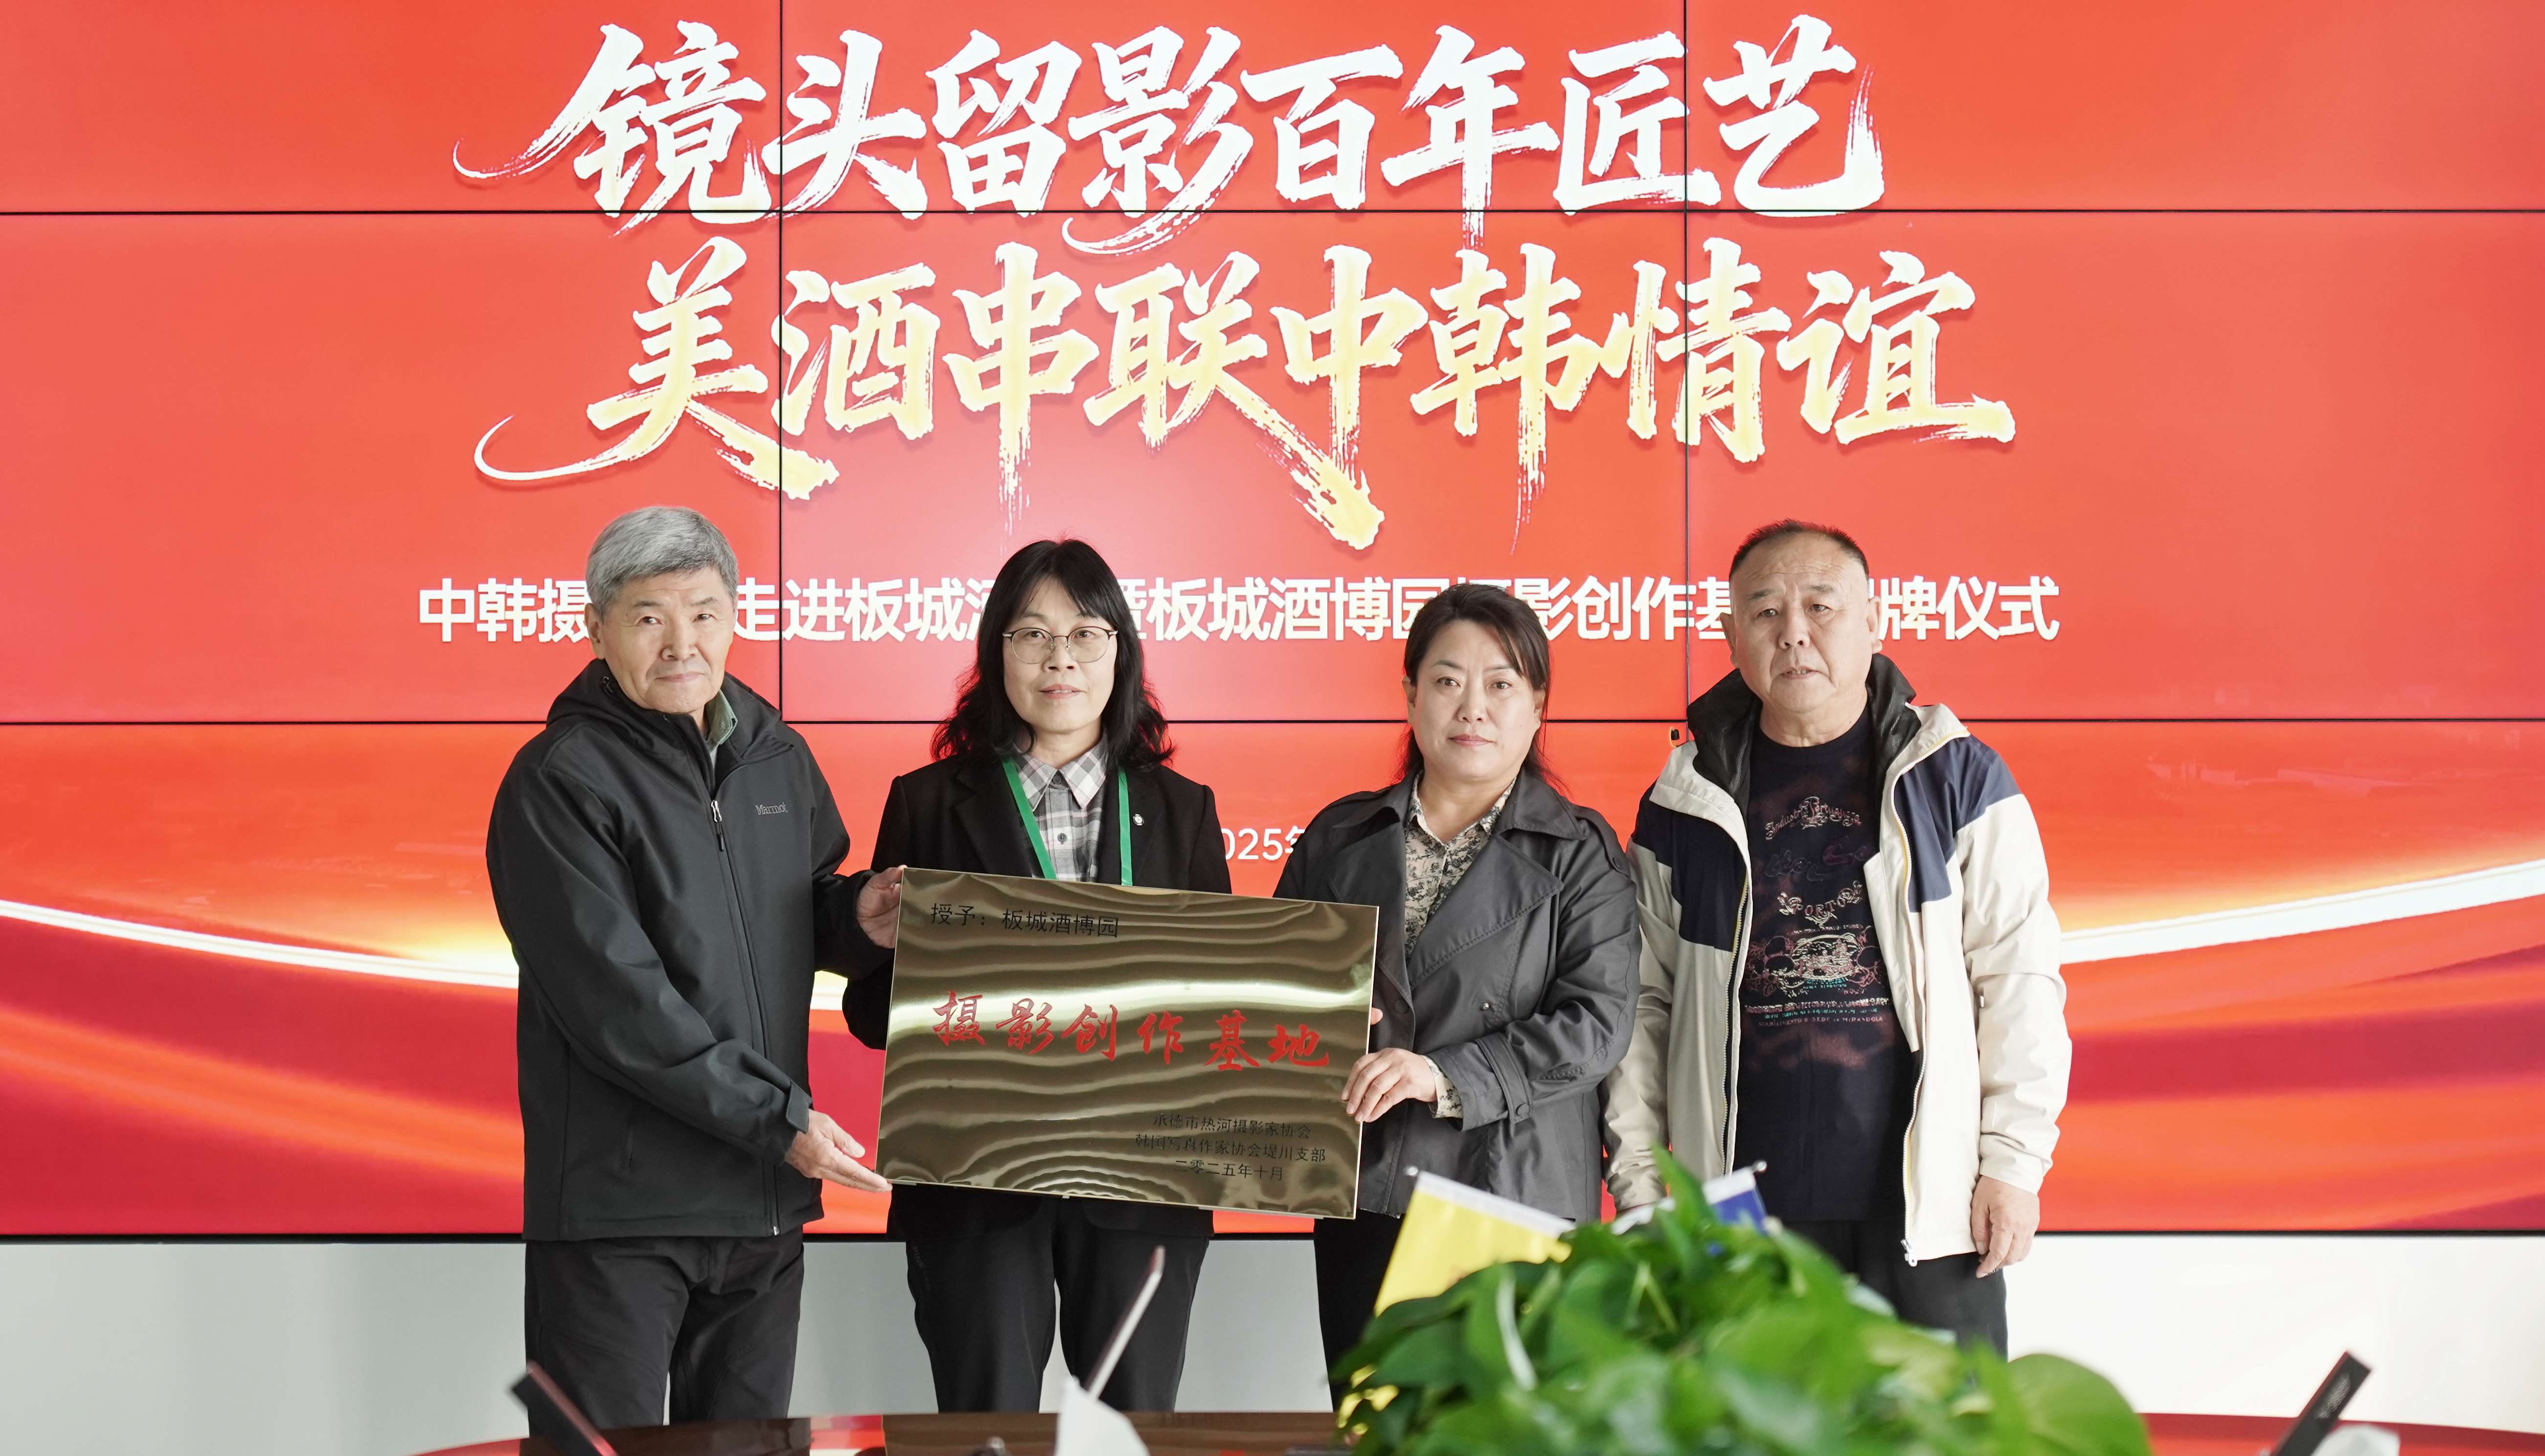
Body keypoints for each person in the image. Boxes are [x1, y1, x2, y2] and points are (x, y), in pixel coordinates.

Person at [1603, 520, 2071, 1353]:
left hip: (1928, 1209)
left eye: (1820, 606)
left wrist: (2011, 1162)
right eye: (1765, 612)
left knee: (1944, 1421)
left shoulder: (1955, 778)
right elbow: (1643, 1007)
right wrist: (1641, 1185)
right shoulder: (1684, 805)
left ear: (1874, 622)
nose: (1793, 632)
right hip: (1741, 1215)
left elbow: (2017, 976)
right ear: (1730, 636)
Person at [486, 506, 898, 1438]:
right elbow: (616, 1002)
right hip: (622, 1214)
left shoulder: (774, 755)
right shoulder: (560, 779)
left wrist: (858, 920)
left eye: (704, 613)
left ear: (735, 617)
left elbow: (798, 908)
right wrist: (779, 1120)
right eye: (649, 617)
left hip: (761, 1208)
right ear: (596, 629)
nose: (682, 644)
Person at [839, 538, 1227, 1413]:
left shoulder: (1181, 810)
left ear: (1120, 652)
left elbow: (1215, 1007)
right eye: (1032, 635)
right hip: (977, 1184)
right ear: (996, 652)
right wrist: (908, 957)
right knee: (984, 1430)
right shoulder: (927, 803)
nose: (1060, 659)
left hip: (1141, 1186)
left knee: (1131, 1433)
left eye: (1086, 634)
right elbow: (869, 1013)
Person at [1275, 584, 1640, 1376]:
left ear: (1537, 706)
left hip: (1510, 1190)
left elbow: (1596, 1025)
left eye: (1500, 684)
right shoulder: (1340, 837)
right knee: (1373, 1417)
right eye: (1446, 681)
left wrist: (1439, 1075)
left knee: (1502, 1423)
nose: (1471, 707)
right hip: (1365, 1187)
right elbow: (1277, 994)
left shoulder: (1580, 853)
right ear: (1410, 696)